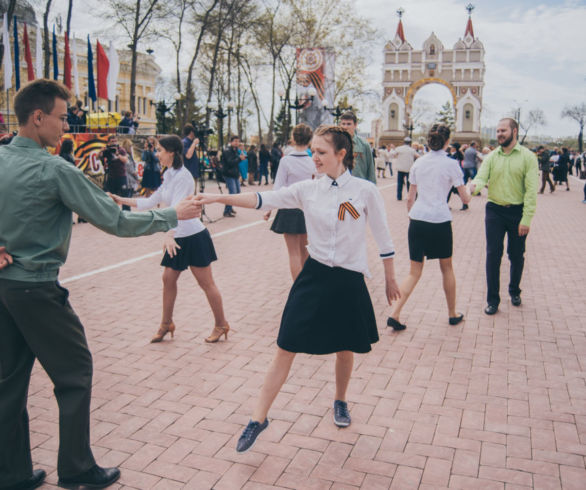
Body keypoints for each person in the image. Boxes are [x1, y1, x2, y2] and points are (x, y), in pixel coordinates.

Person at [0, 79, 201, 490]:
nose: (65, 127)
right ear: (37, 118)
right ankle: (76, 468)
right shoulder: (53, 167)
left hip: (4, 288)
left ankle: (12, 473)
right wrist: (172, 215)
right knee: (75, 372)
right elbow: (115, 223)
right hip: (37, 288)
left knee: (9, 381)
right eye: (61, 118)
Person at [196, 125, 401, 453]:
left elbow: (383, 235)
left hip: (348, 279)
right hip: (314, 276)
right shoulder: (308, 190)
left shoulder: (364, 191)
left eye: (321, 152)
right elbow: (263, 197)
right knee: (286, 343)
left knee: (345, 345)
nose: (314, 158)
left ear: (341, 154)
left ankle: (340, 400)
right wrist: (218, 196)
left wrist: (390, 276)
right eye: (313, 152)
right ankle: (258, 418)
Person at [110, 136, 230, 344]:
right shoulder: (169, 174)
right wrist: (122, 200)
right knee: (168, 279)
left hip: (192, 237)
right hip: (176, 235)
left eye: (160, 150)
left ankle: (221, 324)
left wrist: (168, 234)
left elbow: (177, 209)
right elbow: (150, 201)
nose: (157, 154)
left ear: (172, 152)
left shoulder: (184, 177)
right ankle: (166, 324)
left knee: (206, 283)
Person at [387, 124, 470, 331]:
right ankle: (452, 313)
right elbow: (465, 197)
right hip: (440, 219)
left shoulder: (419, 163)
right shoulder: (451, 165)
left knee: (414, 272)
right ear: (447, 141)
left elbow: (410, 197)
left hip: (418, 219)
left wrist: (412, 217)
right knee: (446, 267)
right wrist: (472, 188)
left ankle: (395, 313)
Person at [470, 117, 538, 315]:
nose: (499, 134)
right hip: (495, 210)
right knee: (493, 255)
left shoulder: (527, 157)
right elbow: (481, 177)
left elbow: (531, 191)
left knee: (516, 255)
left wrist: (526, 219)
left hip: (517, 212)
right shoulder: (492, 157)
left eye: (503, 131)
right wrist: (474, 188)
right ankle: (493, 300)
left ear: (514, 131)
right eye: (498, 131)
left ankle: (514, 290)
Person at [265, 123, 315, 280]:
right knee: (305, 250)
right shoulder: (313, 161)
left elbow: (278, 187)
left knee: (293, 253)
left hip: (288, 208)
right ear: (310, 140)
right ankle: (306, 286)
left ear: (293, 139)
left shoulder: (286, 161)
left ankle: (297, 290)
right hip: (306, 208)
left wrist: (269, 208)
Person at [339, 111, 376, 183]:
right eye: (343, 124)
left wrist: (372, 187)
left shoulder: (364, 145)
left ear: (355, 125)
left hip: (360, 186)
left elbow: (370, 169)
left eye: (349, 124)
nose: (345, 127)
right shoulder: (335, 144)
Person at [182, 124, 201, 193]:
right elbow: (188, 155)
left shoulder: (190, 142)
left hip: (193, 172)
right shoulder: (185, 142)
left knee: (193, 194)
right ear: (191, 132)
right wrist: (194, 143)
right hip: (188, 173)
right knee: (189, 195)